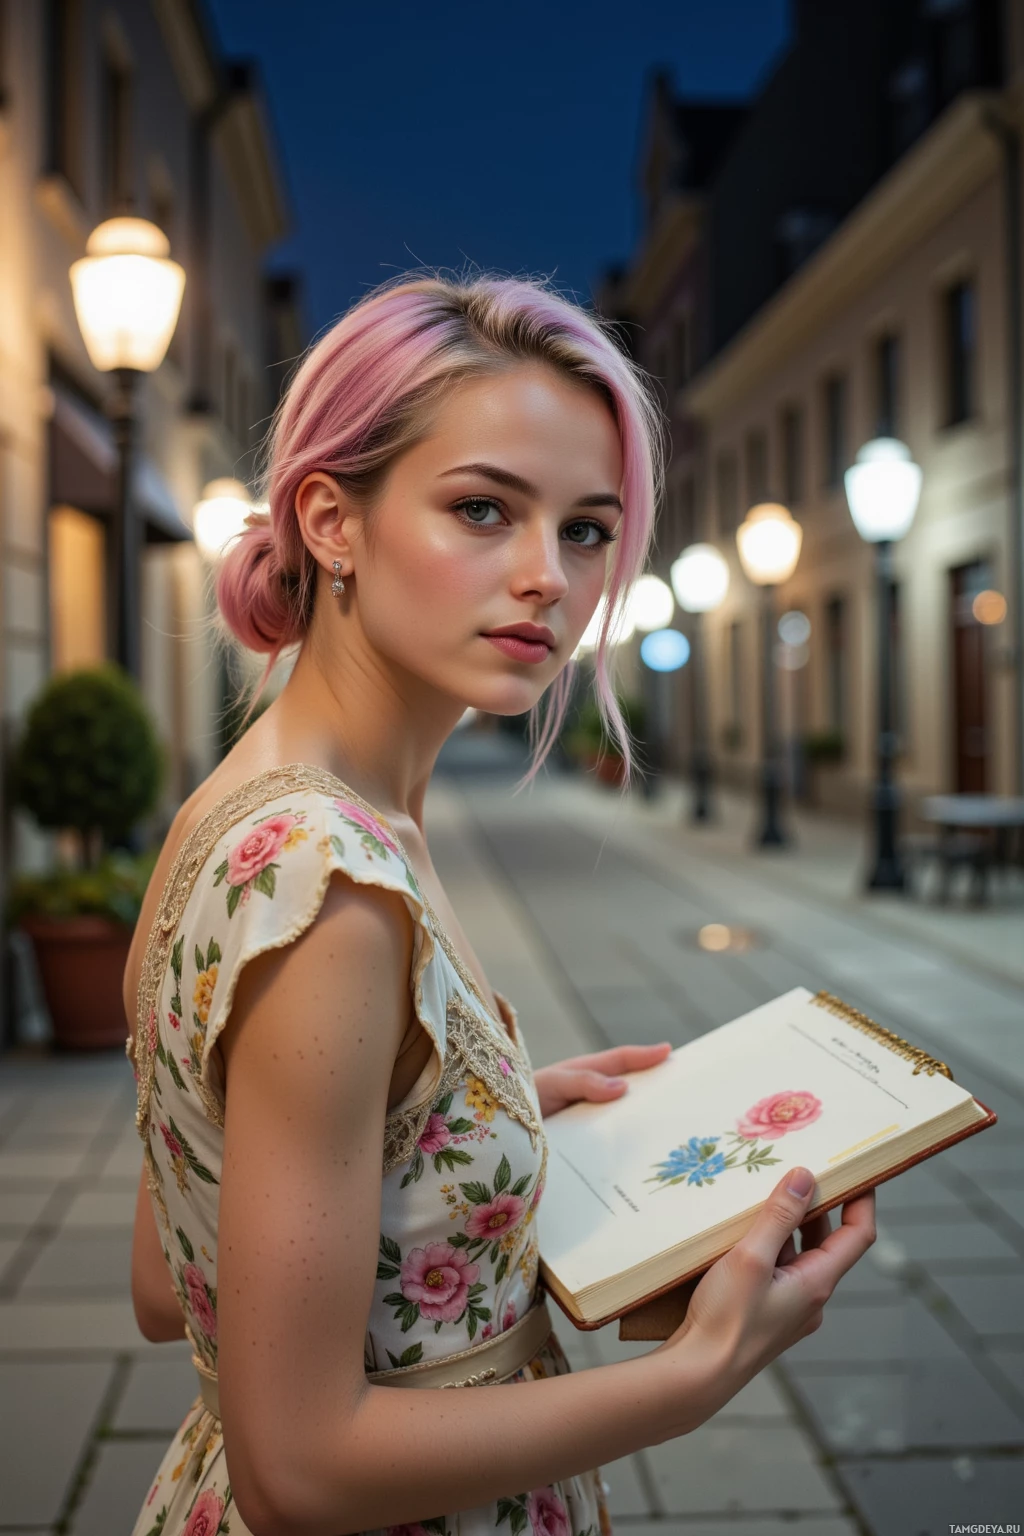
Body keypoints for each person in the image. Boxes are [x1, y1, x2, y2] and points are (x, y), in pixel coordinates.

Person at [124, 274, 876, 1536]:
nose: (547, 576)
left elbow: (169, 1275)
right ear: (330, 520)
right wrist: (694, 1376)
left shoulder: (238, 816)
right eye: (483, 509)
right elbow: (298, 1469)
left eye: (586, 529)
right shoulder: (331, 886)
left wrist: (470, 1122)